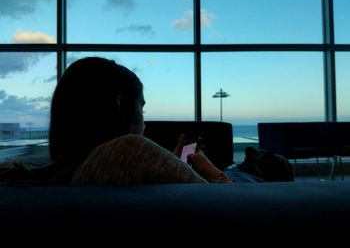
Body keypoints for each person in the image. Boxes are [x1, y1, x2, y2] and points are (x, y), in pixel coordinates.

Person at [0, 57, 232, 185]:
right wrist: (212, 171)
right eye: (141, 109)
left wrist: (168, 164)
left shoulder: (68, 170)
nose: (144, 123)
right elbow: (228, 206)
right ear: (120, 105)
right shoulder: (130, 150)